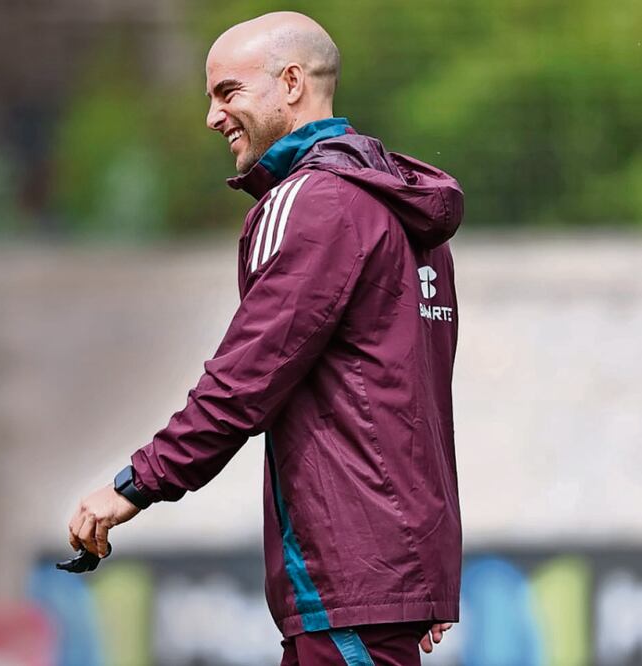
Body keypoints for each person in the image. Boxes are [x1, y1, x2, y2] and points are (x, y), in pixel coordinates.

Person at [66, 11, 462, 665]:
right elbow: (413, 401)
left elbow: (244, 379)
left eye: (227, 92)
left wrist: (134, 483)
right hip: (380, 575)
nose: (212, 117)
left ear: (290, 83)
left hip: (347, 569)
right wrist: (416, 572)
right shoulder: (397, 208)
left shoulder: (310, 203)